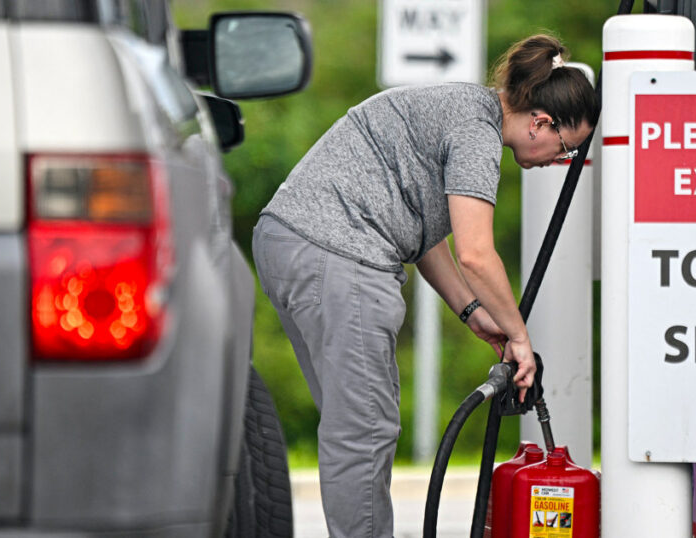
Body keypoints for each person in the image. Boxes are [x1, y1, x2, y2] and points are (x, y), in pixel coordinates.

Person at [251, 34, 597, 538]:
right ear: (540, 122)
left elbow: (422, 235)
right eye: (565, 148)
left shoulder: (460, 108)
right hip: (338, 252)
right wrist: (520, 338)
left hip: (294, 243)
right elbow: (476, 254)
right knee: (364, 431)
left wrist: (474, 312)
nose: (557, 160)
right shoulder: (477, 132)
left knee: (354, 425)